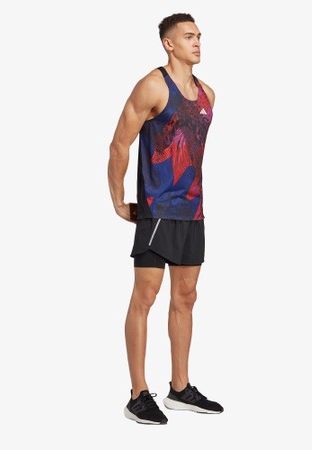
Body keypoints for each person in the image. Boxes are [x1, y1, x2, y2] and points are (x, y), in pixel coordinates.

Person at [108, 12, 223, 425]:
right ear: (168, 43)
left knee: (186, 298)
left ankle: (180, 387)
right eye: (189, 36)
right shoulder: (153, 85)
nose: (198, 42)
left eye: (199, 36)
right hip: (156, 210)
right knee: (145, 297)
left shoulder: (208, 94)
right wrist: (118, 200)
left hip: (193, 210)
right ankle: (138, 394)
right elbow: (120, 144)